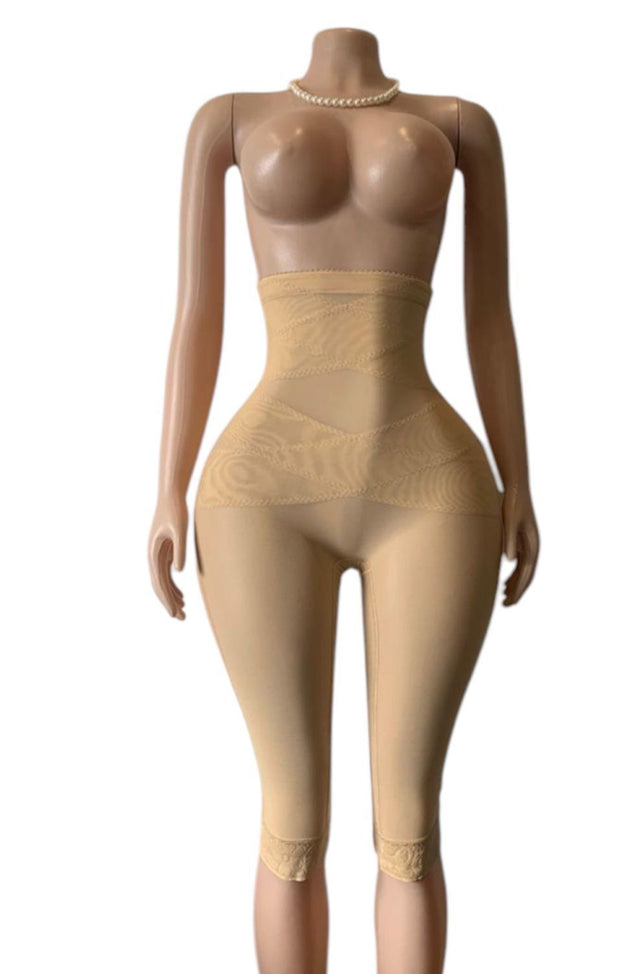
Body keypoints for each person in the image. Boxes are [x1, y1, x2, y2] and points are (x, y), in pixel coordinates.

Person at [148, 26, 539, 974]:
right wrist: (167, 486)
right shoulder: (224, 121)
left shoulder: (462, 124)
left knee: (410, 826)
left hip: (429, 483)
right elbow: (196, 314)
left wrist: (520, 477)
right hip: (262, 490)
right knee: (291, 822)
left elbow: (490, 315)